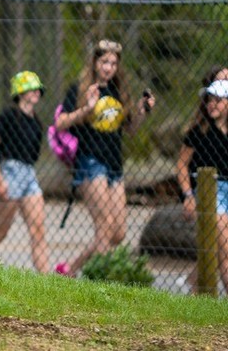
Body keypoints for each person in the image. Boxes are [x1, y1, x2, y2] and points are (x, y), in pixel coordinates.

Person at [54, 39, 155, 276]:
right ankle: (101, 284)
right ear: (94, 63)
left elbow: (130, 130)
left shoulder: (119, 92)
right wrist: (87, 109)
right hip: (90, 163)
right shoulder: (79, 89)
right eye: (104, 61)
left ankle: (69, 269)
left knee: (117, 233)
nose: (108, 67)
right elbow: (60, 123)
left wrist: (142, 111)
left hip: (114, 164)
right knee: (105, 227)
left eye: (113, 63)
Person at [0, 71, 49, 273]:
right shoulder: (9, 116)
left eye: (38, 88)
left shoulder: (36, 122)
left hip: (28, 174)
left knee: (38, 229)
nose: (36, 92)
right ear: (20, 92)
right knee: (1, 231)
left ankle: (48, 280)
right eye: (31, 88)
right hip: (9, 172)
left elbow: (33, 155)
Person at [177, 77, 228, 298]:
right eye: (210, 99)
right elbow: (181, 165)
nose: (212, 104)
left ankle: (195, 292)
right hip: (212, 192)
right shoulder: (198, 132)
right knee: (227, 251)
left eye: (219, 100)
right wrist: (188, 195)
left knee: (224, 252)